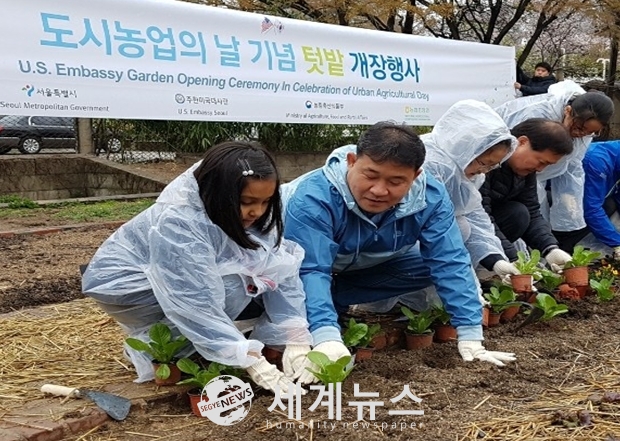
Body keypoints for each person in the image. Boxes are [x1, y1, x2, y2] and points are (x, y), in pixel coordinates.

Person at [282, 121, 516, 385]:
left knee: (429, 264)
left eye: (396, 181)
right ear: (351, 162)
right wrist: (326, 336)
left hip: (356, 264)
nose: (379, 190)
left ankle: (332, 300)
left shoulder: (429, 196)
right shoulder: (314, 198)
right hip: (288, 268)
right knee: (286, 293)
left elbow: (450, 260)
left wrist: (470, 334)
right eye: (370, 175)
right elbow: (310, 268)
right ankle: (315, 312)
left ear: (415, 176)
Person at [82, 141, 312, 396]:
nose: (257, 211)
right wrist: (250, 359)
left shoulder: (258, 215)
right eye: (246, 201)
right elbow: (193, 300)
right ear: (220, 193)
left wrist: (296, 337)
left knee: (251, 278)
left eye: (266, 201)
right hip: (125, 286)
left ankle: (202, 343)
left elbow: (279, 268)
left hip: (174, 278)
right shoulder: (179, 221)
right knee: (234, 286)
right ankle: (150, 347)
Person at [495, 82, 614, 252]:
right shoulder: (536, 116)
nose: (580, 135)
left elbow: (572, 166)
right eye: (579, 128)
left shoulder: (532, 171)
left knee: (531, 214)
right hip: (504, 174)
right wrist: (508, 258)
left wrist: (550, 247)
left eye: (590, 133)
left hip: (525, 178)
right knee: (518, 215)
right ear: (568, 111)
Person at [420, 100, 520, 280]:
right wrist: (464, 278)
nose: (484, 171)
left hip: (435, 246)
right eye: (483, 163)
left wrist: (496, 260)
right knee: (459, 228)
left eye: (492, 166)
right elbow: (435, 226)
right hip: (405, 245)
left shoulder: (467, 172)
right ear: (466, 149)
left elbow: (474, 215)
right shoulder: (432, 164)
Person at [480, 118, 574, 269]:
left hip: (490, 224)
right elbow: (480, 216)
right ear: (522, 142)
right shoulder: (484, 163)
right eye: (541, 161)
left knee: (520, 213)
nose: (541, 169)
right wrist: (512, 258)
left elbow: (532, 210)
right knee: (517, 213)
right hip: (471, 226)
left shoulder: (524, 171)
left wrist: (550, 248)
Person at [582, 140, 620, 259]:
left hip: (594, 200)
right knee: (608, 205)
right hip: (559, 201)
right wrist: (617, 243)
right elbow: (590, 208)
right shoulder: (597, 161)